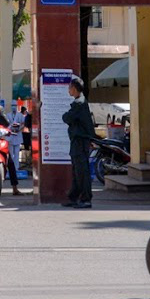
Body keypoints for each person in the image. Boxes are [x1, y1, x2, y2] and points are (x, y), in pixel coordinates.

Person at [63, 76, 96, 208]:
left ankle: (86, 199)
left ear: (75, 89)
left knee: (82, 171)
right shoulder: (78, 103)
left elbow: (67, 117)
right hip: (77, 141)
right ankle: (74, 197)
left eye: (70, 87)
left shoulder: (80, 105)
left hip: (81, 141)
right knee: (76, 171)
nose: (68, 90)